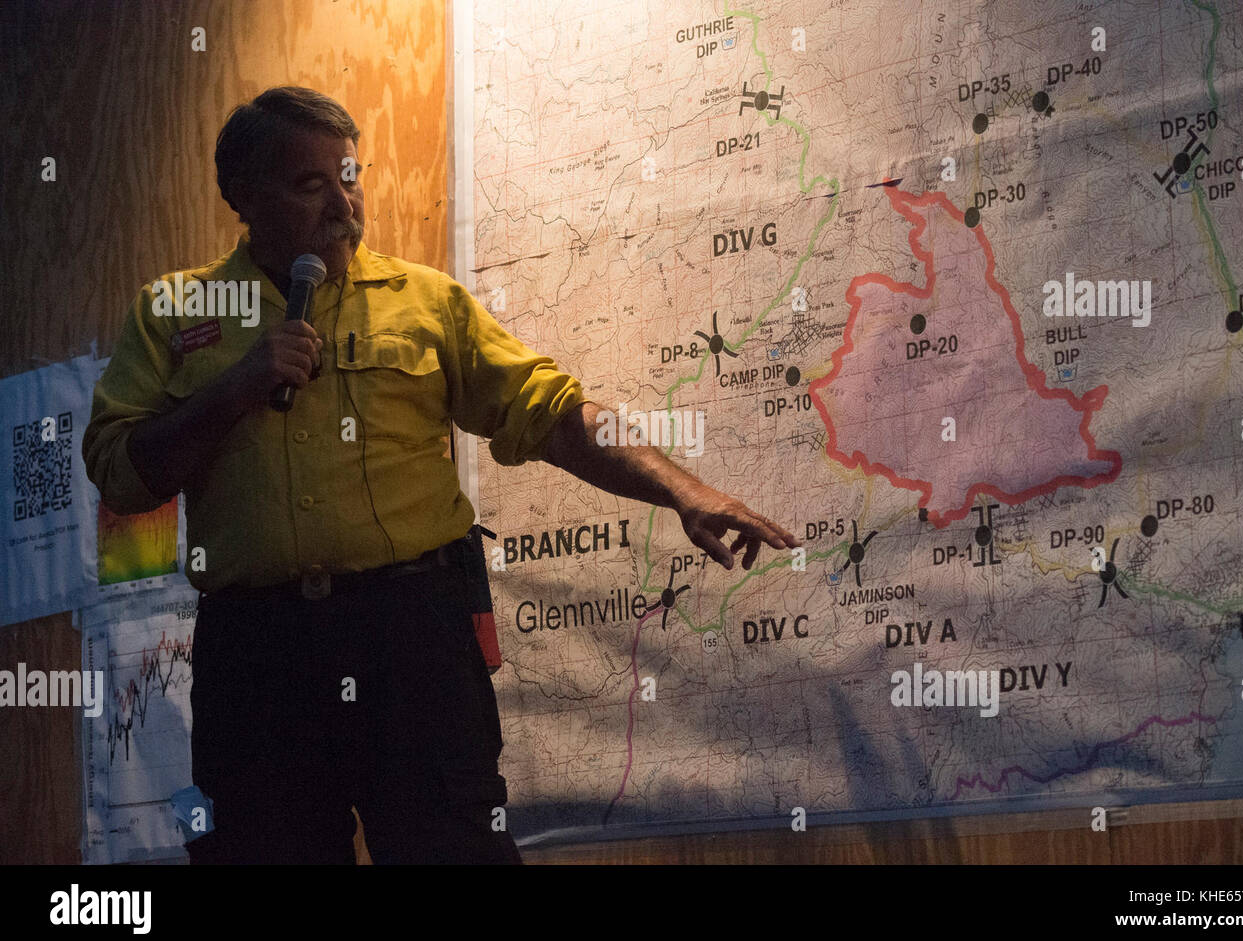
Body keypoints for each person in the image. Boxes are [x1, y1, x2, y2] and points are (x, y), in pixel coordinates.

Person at [82, 86, 797, 864]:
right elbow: (121, 475)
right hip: (260, 657)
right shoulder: (175, 312)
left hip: (412, 638)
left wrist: (681, 490)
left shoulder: (426, 302)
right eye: (309, 183)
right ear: (243, 197)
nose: (342, 200)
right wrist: (234, 389)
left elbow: (551, 412)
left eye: (349, 174)